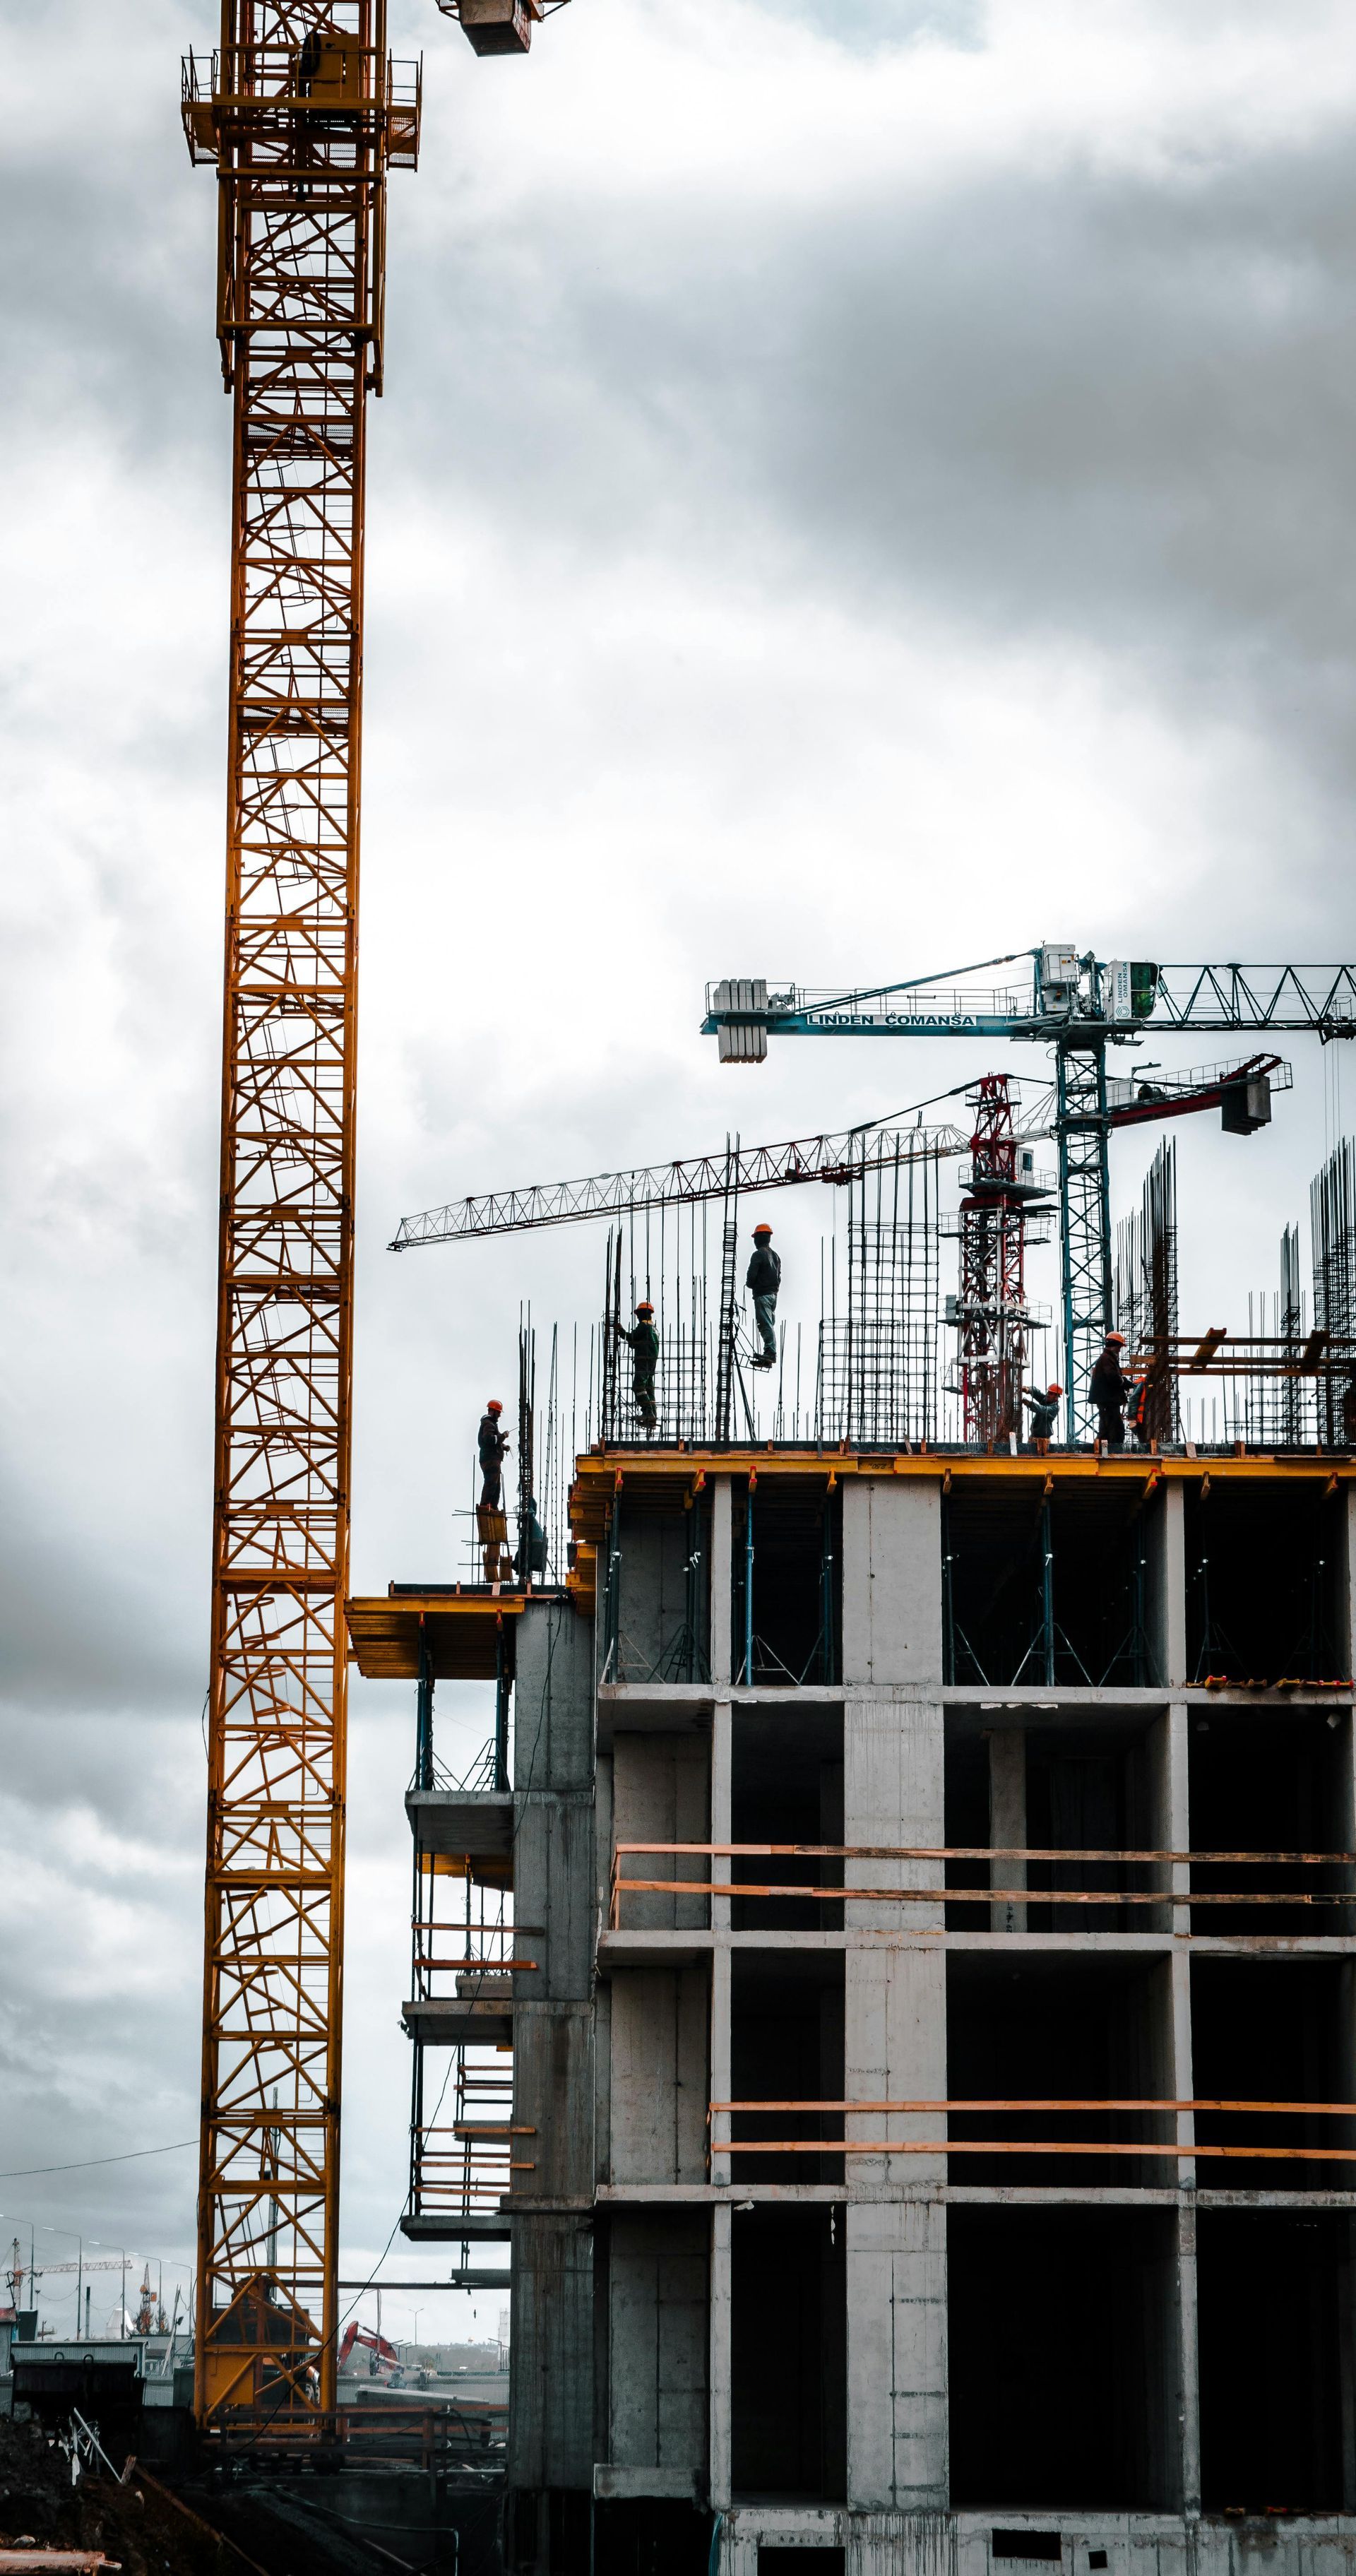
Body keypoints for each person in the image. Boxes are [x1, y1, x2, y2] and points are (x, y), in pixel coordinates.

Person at [612, 1300, 660, 1428]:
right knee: (649, 1389)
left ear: (645, 1314)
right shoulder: (654, 1330)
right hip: (651, 1363)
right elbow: (636, 1343)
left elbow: (632, 1338)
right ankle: (652, 1417)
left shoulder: (644, 1327)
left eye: (639, 1314)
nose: (637, 1317)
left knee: (638, 1386)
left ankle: (648, 1413)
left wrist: (621, 1331)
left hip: (643, 1361)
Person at [746, 1221, 781, 1369]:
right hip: (773, 1295)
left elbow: (751, 1277)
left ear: (758, 1238)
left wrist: (751, 1284)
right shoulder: (775, 1256)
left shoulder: (759, 1254)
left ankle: (770, 1353)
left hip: (763, 1295)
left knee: (765, 1325)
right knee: (769, 1325)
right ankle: (767, 1357)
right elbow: (779, 1277)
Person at [1088, 1331, 1129, 1449]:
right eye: (1120, 1347)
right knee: (1111, 1429)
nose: (1120, 1350)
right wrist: (1123, 1383)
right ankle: (1106, 1451)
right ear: (1115, 1345)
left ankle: (1105, 1451)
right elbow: (1113, 1378)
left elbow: (1114, 1377)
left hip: (1109, 1401)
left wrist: (1124, 1382)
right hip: (1108, 1401)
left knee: (1110, 1429)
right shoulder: (1107, 1358)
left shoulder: (1107, 1358)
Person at [477, 1399, 509, 1507]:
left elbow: (495, 1441)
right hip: (490, 1459)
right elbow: (489, 1439)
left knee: (496, 1486)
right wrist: (503, 1436)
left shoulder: (491, 1424)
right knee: (491, 1483)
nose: (500, 1415)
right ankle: (486, 1505)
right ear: (493, 1411)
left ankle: (493, 1506)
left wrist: (504, 1447)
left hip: (492, 1459)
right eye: (499, 1413)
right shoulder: (488, 1424)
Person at [515, 1495, 549, 1586]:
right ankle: (526, 1579)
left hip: (535, 1544)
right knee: (522, 1560)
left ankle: (523, 1580)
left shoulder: (531, 1518)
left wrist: (529, 1500)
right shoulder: (533, 1524)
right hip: (537, 1544)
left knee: (522, 1559)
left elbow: (531, 1511)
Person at [1021, 1382, 1063, 1454]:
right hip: (1033, 1438)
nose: (1048, 1395)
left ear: (1056, 1397)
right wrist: (1028, 1389)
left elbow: (1043, 1410)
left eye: (1050, 1394)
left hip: (1044, 1441)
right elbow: (1036, 1392)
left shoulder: (1055, 1408)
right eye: (1048, 1393)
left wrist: (1030, 1404)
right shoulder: (1045, 1400)